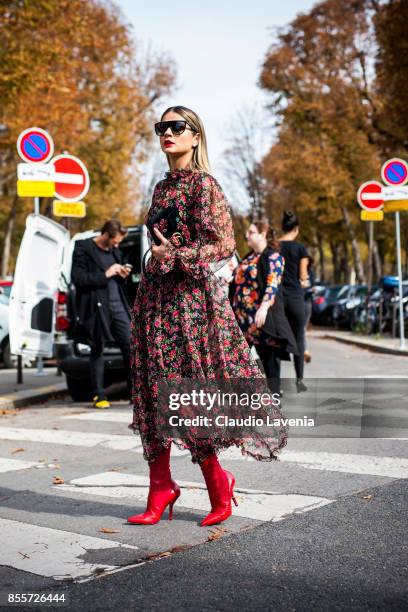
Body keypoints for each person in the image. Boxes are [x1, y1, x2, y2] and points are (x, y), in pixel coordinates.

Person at [127, 105, 287, 527]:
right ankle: (159, 486)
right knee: (150, 394)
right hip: (154, 303)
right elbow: (157, 246)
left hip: (191, 308)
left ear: (195, 136)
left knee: (187, 399)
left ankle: (219, 483)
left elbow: (221, 244)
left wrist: (175, 254)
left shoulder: (204, 186)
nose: (167, 133)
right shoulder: (161, 189)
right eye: (162, 127)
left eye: (177, 127)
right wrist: (154, 257)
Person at [229, 221, 298, 395]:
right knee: (237, 360)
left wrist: (264, 307)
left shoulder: (273, 257)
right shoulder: (249, 257)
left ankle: (274, 398)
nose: (247, 235)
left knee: (269, 361)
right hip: (243, 321)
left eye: (251, 232)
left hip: (261, 321)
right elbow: (239, 281)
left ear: (263, 234)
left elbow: (272, 284)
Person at [71, 219, 132, 409]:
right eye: (116, 241)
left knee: (130, 345)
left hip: (118, 306)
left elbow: (117, 278)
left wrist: (122, 274)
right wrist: (105, 274)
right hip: (97, 307)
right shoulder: (83, 247)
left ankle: (135, 393)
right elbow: (78, 279)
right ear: (106, 235)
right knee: (97, 348)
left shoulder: (115, 251)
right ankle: (99, 395)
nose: (118, 244)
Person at [279, 210, 309, 393]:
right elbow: (303, 276)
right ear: (296, 229)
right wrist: (305, 282)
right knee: (298, 339)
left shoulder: (274, 247)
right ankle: (299, 381)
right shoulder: (300, 249)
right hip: (296, 299)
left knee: (278, 340)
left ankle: (277, 385)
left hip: (279, 299)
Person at [303, 256, 315, 363]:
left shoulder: (310, 272)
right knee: (301, 329)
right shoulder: (295, 270)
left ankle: (304, 350)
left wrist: (312, 290)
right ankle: (304, 350)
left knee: (303, 329)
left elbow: (312, 285)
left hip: (307, 302)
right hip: (297, 301)